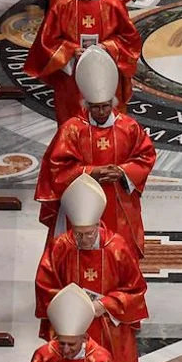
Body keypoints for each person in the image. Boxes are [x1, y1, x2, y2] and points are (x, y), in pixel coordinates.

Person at [35, 175, 147, 362]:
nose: (83, 239)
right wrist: (70, 306)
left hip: (107, 325)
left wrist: (105, 304)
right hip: (69, 329)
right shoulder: (61, 247)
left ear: (98, 225)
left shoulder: (117, 248)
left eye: (88, 233)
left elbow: (135, 288)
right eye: (78, 234)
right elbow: (44, 284)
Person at [36, 47, 154, 255]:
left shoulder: (128, 127)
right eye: (96, 107)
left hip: (119, 200)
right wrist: (92, 172)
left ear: (112, 103)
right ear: (87, 105)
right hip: (82, 202)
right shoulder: (72, 129)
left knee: (119, 253)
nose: (101, 112)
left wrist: (123, 171)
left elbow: (145, 156)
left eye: (105, 106)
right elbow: (57, 168)